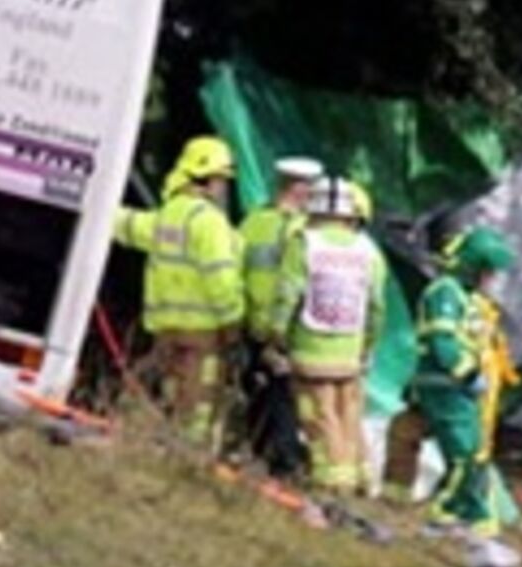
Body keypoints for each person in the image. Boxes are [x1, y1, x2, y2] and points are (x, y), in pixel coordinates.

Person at [112, 137, 245, 448]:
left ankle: (170, 452)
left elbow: (128, 226)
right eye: (222, 180)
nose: (224, 188)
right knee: (199, 404)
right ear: (207, 178)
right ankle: (190, 463)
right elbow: (220, 279)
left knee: (174, 397)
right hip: (204, 333)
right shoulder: (210, 223)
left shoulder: (168, 215)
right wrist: (233, 324)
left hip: (166, 330)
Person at [272, 177, 388, 494]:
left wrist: (277, 336)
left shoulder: (304, 243)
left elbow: (287, 296)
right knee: (349, 416)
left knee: (320, 418)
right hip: (350, 354)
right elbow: (377, 307)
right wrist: (368, 346)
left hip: (311, 351)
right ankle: (362, 479)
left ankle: (332, 486)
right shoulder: (368, 250)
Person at [416, 227, 517, 538]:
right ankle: (445, 512)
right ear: (473, 266)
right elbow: (442, 342)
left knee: (474, 452)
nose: (492, 278)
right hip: (444, 385)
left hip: (462, 389)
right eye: (488, 271)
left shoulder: (468, 297)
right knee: (464, 453)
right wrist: (469, 374)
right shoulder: (444, 292)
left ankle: (474, 515)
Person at [238, 157, 323, 478]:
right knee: (283, 398)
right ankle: (284, 464)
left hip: (254, 324)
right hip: (287, 329)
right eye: (309, 189)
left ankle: (262, 456)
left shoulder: (252, 222)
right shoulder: (306, 231)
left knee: (261, 395)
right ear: (298, 188)